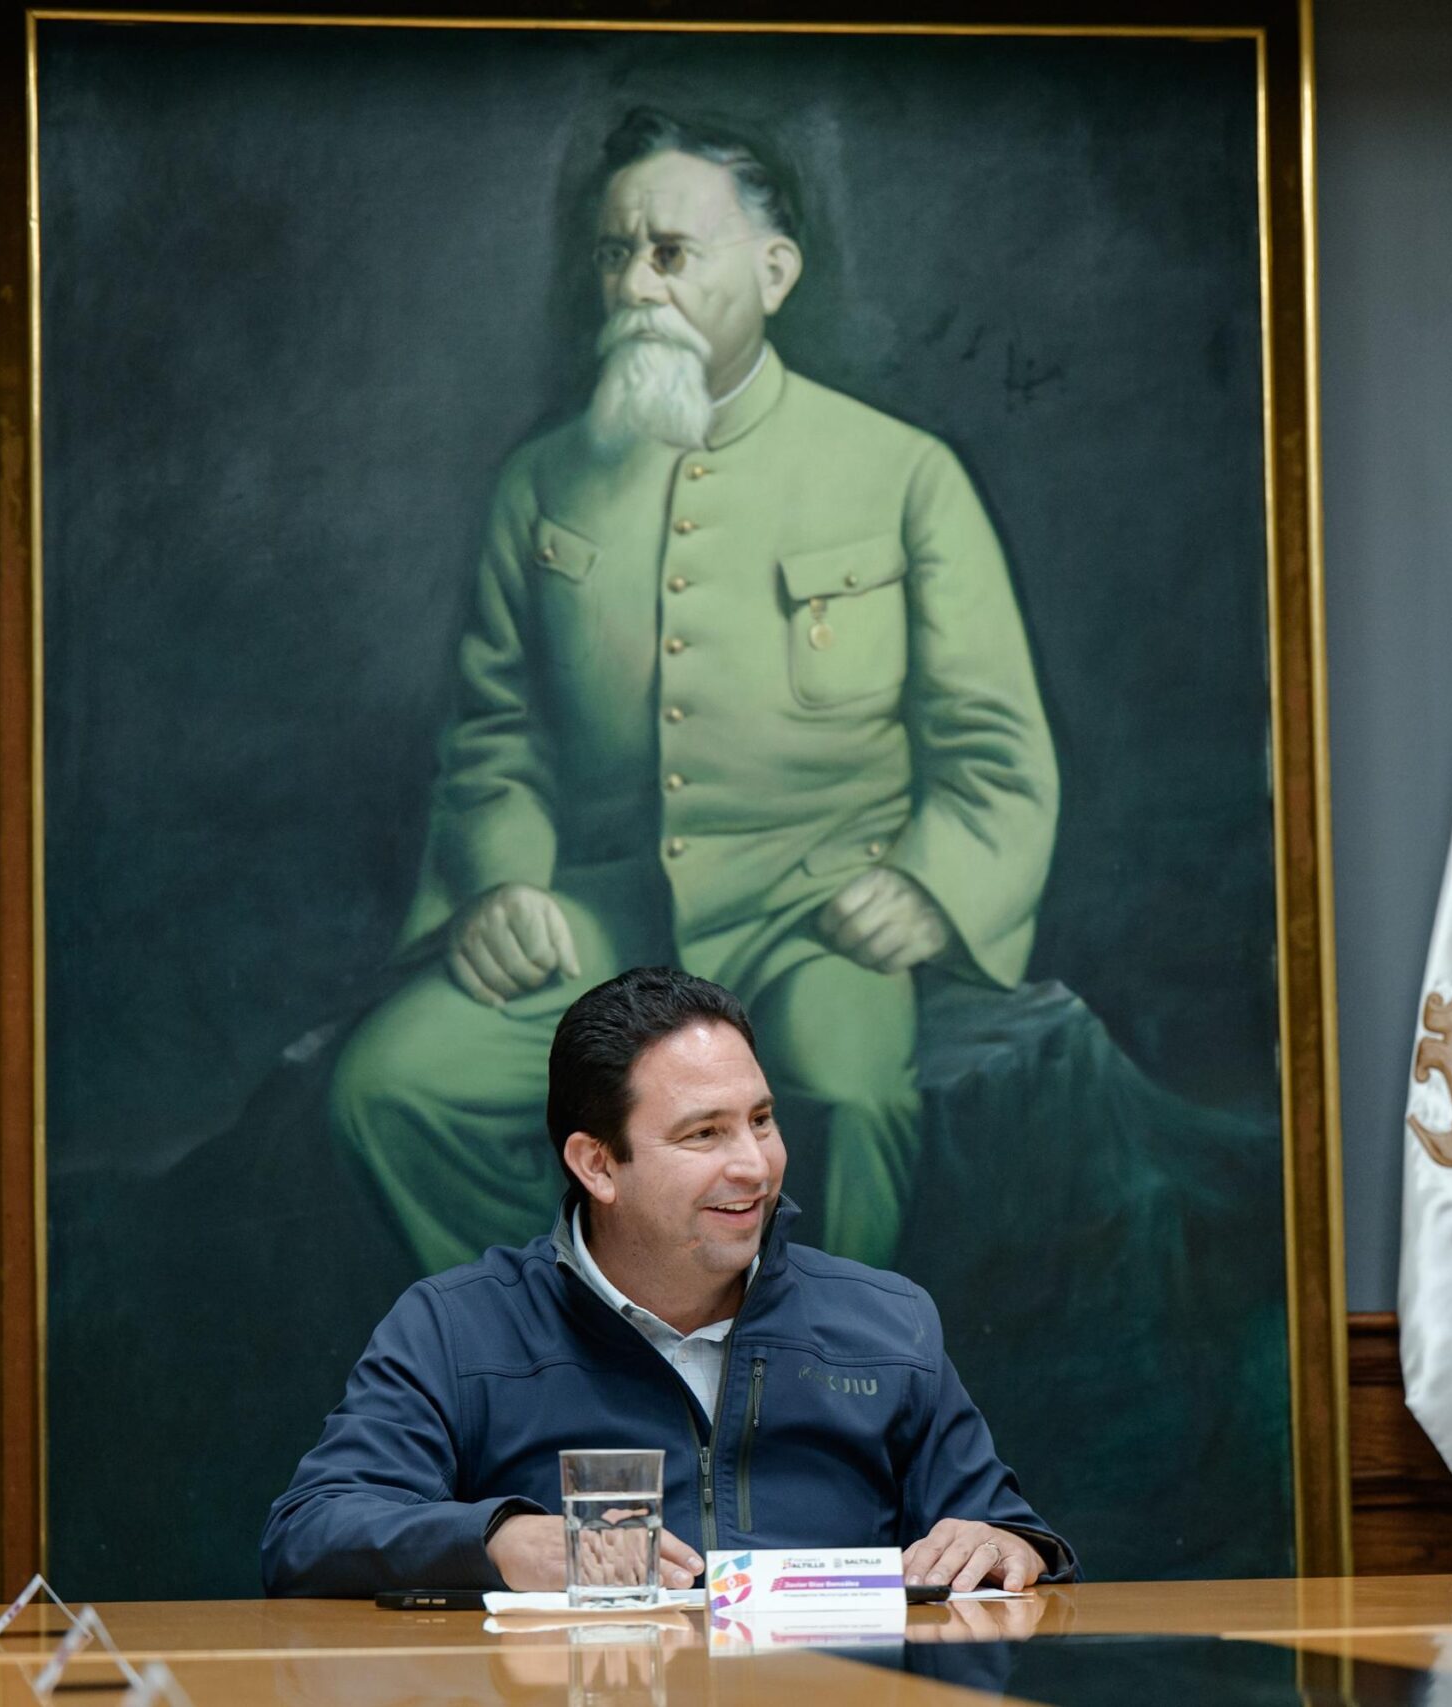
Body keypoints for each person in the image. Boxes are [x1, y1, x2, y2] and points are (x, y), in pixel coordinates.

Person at [330, 107, 1057, 1272]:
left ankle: (811, 1379)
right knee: (392, 1085)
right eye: (615, 254)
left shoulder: (902, 474)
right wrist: (502, 881)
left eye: (669, 252)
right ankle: (572, 1346)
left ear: (773, 273)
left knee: (849, 1095)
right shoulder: (541, 482)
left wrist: (932, 884)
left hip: (816, 914)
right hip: (606, 916)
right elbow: (497, 735)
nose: (634, 285)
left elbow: (994, 747)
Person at [265, 967, 1074, 1597]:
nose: (755, 1165)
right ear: (597, 1164)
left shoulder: (889, 1321)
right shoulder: (455, 1327)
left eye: (761, 1119)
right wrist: (498, 1539)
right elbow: (310, 1532)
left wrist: (1007, 1544)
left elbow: (1004, 1533)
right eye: (704, 1133)